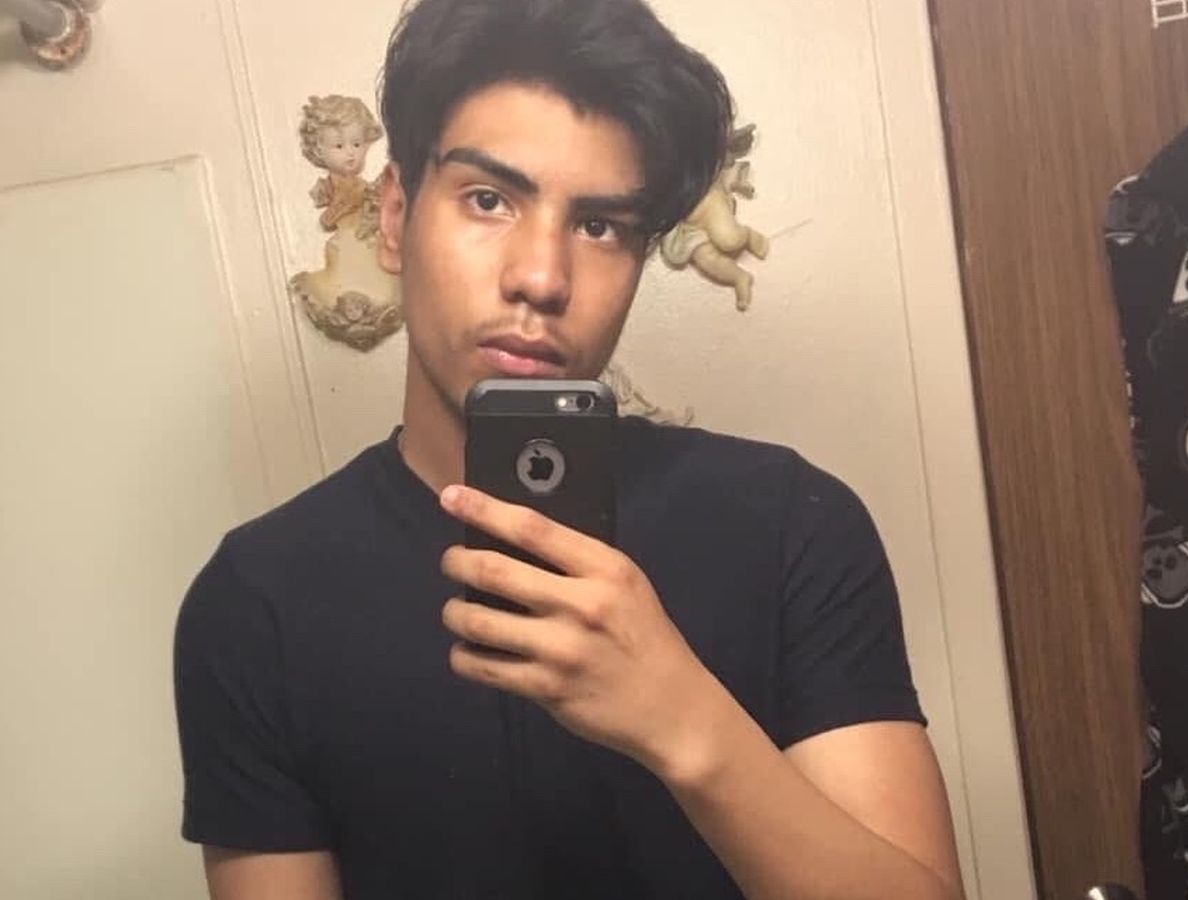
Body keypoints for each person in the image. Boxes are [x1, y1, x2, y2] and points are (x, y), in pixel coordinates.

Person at [173, 0, 965, 897]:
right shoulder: (256, 602)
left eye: (600, 226)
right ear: (394, 216)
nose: (542, 277)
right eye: (488, 199)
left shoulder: (792, 525)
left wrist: (686, 723)